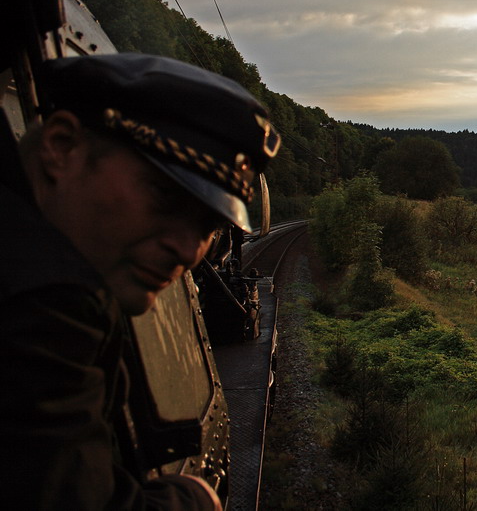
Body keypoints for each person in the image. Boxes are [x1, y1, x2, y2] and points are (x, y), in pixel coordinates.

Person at [0, 53, 280, 509]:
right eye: (165, 196)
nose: (190, 251)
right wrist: (192, 499)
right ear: (62, 146)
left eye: (207, 226)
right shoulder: (42, 303)